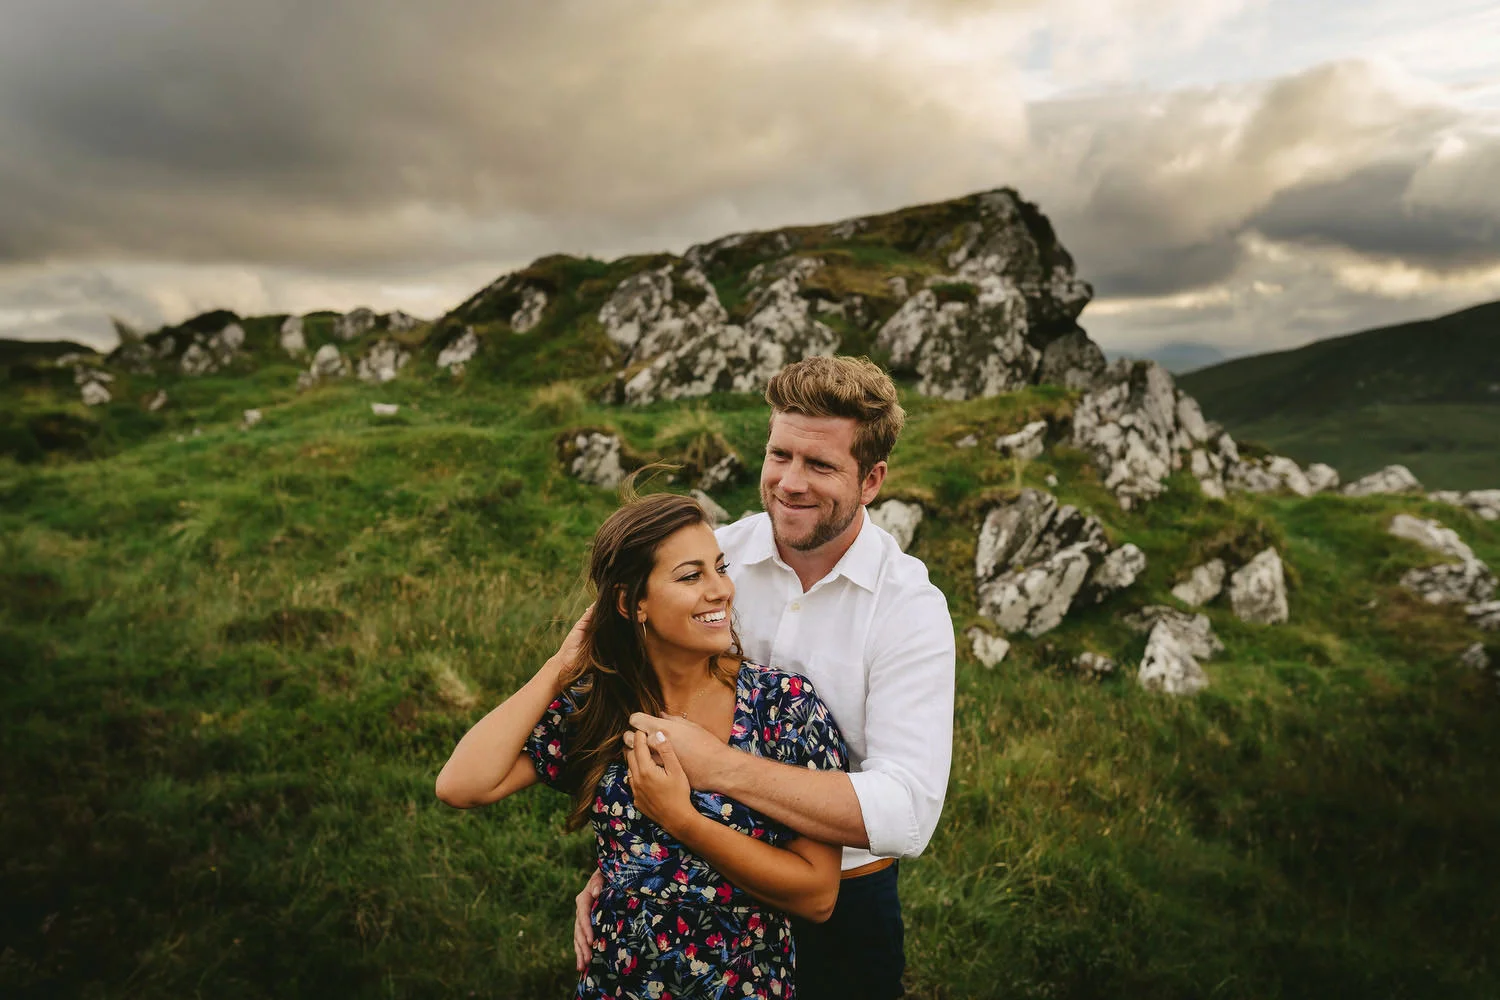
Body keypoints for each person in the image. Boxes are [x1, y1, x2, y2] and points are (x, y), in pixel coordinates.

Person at [575, 355, 957, 999]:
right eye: (780, 455)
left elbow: (908, 812)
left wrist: (718, 769)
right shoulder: (709, 563)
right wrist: (623, 861)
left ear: (872, 480)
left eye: (821, 466)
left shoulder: (909, 608)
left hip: (843, 905)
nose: (790, 483)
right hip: (693, 884)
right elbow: (632, 695)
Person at [436, 489, 851, 998]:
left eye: (719, 568)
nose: (720, 589)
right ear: (634, 604)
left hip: (740, 986)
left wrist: (683, 821)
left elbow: (817, 895)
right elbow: (461, 786)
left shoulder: (783, 706)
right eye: (690, 575)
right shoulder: (602, 705)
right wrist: (558, 670)